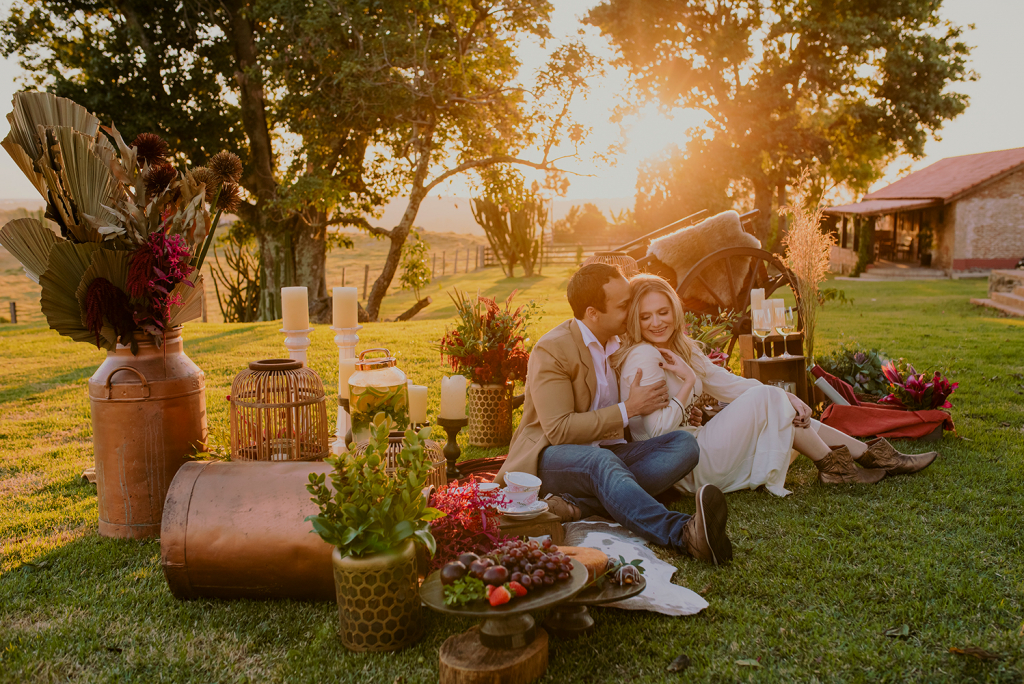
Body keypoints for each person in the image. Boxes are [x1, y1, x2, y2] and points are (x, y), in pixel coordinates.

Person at [612, 274, 938, 496]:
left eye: (663, 312)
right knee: (768, 398)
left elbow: (730, 384)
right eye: (645, 316)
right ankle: (853, 463)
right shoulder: (643, 356)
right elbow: (655, 435)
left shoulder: (679, 348)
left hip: (699, 444)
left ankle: (864, 458)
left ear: (674, 310)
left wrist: (786, 398)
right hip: (683, 463)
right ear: (634, 321)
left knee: (773, 403)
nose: (657, 322)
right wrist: (689, 384)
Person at [495, 264, 733, 565]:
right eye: (624, 306)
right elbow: (558, 430)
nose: (632, 310)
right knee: (601, 461)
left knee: (684, 445)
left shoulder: (621, 344)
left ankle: (578, 507)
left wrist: (685, 408)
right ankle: (683, 533)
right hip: (552, 457)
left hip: (609, 453)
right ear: (594, 313)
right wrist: (629, 409)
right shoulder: (553, 350)